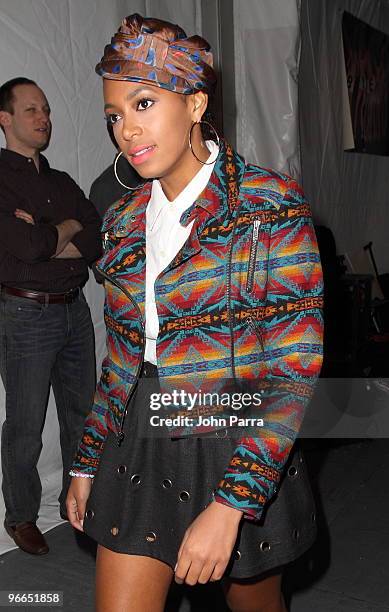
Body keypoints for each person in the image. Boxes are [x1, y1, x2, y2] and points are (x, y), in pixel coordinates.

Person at [67, 15, 323, 612]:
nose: (127, 130)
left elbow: (293, 371)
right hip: (141, 438)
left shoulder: (269, 207)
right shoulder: (123, 221)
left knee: (254, 604)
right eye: (114, 116)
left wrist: (232, 503)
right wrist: (86, 461)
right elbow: (123, 359)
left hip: (236, 436)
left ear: (196, 103)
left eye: (144, 103)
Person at [0, 77, 102, 555]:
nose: (43, 118)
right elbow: (26, 247)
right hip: (26, 315)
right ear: (5, 120)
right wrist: (59, 233)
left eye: (46, 109)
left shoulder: (61, 182)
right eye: (30, 110)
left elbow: (95, 242)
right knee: (25, 425)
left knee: (83, 415)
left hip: (75, 314)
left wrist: (49, 236)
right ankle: (20, 516)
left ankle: (75, 504)